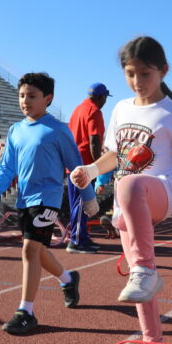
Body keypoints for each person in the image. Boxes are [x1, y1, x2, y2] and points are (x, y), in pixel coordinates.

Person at [70, 36, 172, 344]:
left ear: (163, 71)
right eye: (130, 74)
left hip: (162, 190)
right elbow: (114, 157)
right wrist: (90, 169)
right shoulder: (120, 110)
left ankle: (147, 269)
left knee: (130, 186)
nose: (136, 81)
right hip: (129, 199)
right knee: (139, 285)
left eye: (144, 73)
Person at [0, 72, 98, 335]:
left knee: (29, 251)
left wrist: (89, 198)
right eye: (22, 95)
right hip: (24, 199)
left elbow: (76, 167)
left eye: (32, 96)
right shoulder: (15, 130)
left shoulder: (57, 130)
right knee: (39, 251)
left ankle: (26, 311)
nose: (25, 101)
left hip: (48, 199)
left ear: (48, 99)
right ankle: (68, 279)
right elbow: (7, 167)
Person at [65, 82, 111, 253]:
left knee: (81, 203)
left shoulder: (78, 109)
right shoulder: (94, 111)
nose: (105, 102)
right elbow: (94, 141)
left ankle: (81, 236)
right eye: (105, 98)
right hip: (85, 165)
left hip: (74, 163)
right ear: (101, 97)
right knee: (81, 203)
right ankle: (76, 240)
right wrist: (99, 165)